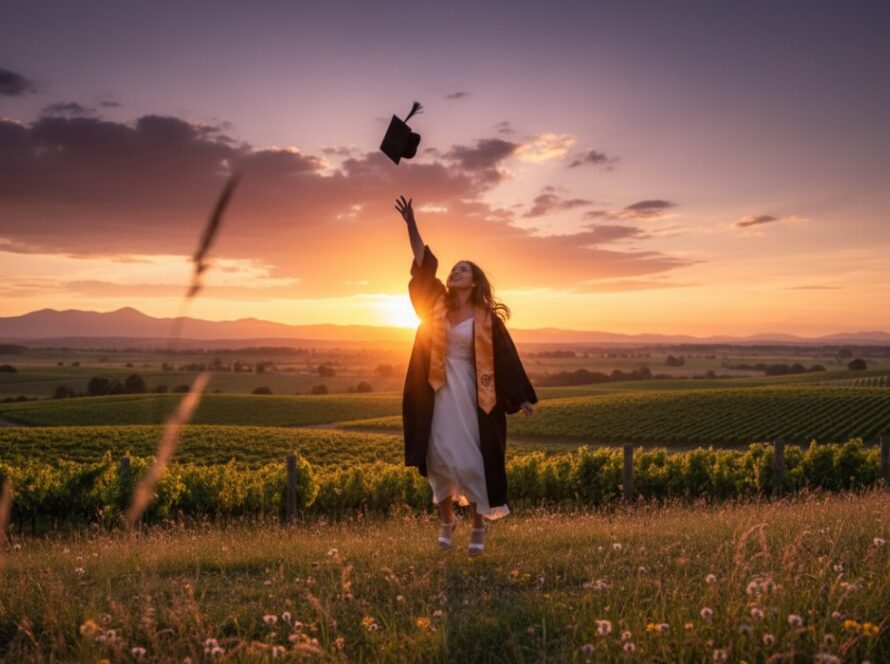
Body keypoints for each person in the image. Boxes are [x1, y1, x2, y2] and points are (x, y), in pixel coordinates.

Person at [396, 194, 538, 555]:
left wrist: (521, 395)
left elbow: (506, 359)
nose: (455, 271)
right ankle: (447, 520)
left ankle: (478, 523)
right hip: (436, 392)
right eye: (454, 268)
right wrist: (411, 223)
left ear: (474, 282)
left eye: (463, 269)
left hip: (476, 398)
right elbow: (423, 263)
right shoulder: (436, 305)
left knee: (472, 459)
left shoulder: (487, 320)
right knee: (438, 456)